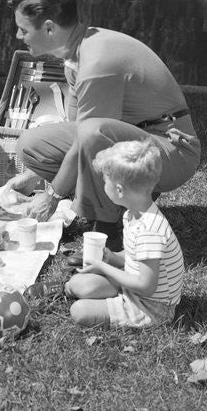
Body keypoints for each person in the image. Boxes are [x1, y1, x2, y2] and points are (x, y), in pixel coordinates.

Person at [4, 0, 201, 246]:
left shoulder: (97, 63)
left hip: (173, 152)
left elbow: (88, 136)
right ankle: (116, 199)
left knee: (91, 132)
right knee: (30, 145)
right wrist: (34, 176)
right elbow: (75, 131)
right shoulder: (75, 56)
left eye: (22, 29)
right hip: (138, 139)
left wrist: (51, 195)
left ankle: (105, 232)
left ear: (49, 28)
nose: (18, 36)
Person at [65, 139, 184, 328]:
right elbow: (134, 257)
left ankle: (106, 301)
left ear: (119, 190)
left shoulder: (149, 231)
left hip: (152, 306)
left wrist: (103, 268)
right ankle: (65, 288)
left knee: (79, 311)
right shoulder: (133, 214)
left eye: (105, 182)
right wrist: (111, 257)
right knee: (79, 284)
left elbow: (146, 285)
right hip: (134, 287)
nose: (104, 186)